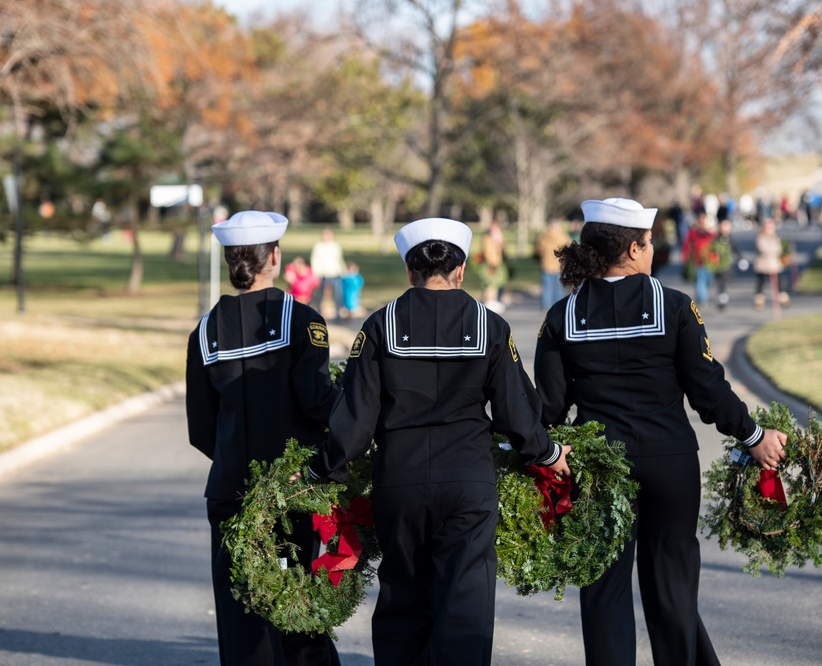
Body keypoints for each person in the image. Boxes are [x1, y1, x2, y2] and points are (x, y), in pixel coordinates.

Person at [302, 217, 572, 666]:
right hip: (468, 484)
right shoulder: (491, 325)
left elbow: (353, 421)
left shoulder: (378, 325)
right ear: (462, 269)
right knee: (464, 607)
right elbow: (517, 414)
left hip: (400, 482)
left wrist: (318, 470)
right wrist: (547, 454)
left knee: (404, 604)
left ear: (410, 271)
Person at [533, 198, 788, 666]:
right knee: (672, 586)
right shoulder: (674, 305)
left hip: (598, 472)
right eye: (648, 244)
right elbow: (708, 390)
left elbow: (547, 407)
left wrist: (538, 449)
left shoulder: (560, 316)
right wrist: (754, 437)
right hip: (669, 464)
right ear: (633, 249)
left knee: (604, 592)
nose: (652, 252)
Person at [185, 210, 341, 666]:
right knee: (294, 600)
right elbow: (318, 402)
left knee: (241, 611)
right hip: (291, 490)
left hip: (229, 491)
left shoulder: (205, 332)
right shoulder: (303, 320)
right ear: (274, 257)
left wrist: (236, 458)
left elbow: (201, 428)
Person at [681, 212, 717, 307]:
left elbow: (716, 243)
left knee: (708, 278)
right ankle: (702, 299)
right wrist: (686, 256)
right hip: (698, 260)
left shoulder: (711, 233)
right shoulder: (693, 232)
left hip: (709, 260)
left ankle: (702, 295)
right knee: (700, 280)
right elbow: (687, 244)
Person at [535, 219, 572, 308]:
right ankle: (558, 306)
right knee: (558, 288)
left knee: (546, 288)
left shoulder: (544, 237)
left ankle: (546, 304)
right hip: (558, 266)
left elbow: (538, 250)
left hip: (546, 265)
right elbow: (569, 249)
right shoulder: (563, 236)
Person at [310, 228, 346, 319]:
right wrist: (316, 272)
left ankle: (338, 313)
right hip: (323, 273)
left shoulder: (335, 246)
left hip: (335, 272)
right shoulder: (319, 246)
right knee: (321, 294)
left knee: (338, 294)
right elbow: (315, 260)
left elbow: (339, 259)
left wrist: (343, 270)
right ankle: (318, 312)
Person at [753, 217, 787, 310]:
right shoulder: (760, 237)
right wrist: (774, 250)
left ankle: (782, 297)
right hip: (763, 263)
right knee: (761, 281)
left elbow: (779, 248)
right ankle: (759, 299)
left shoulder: (776, 237)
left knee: (778, 281)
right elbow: (763, 248)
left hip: (774, 263)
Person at [477, 219, 508, 312]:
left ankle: (494, 302)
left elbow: (503, 250)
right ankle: (489, 303)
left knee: (496, 284)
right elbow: (488, 251)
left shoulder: (498, 238)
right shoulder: (487, 238)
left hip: (498, 262)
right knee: (490, 284)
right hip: (490, 263)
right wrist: (491, 263)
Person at [712, 219, 741, 311]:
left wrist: (741, 259)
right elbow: (712, 250)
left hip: (728, 265)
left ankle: (723, 299)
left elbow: (736, 250)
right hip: (718, 265)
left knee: (724, 281)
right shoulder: (716, 239)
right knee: (721, 282)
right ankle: (722, 299)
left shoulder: (731, 239)